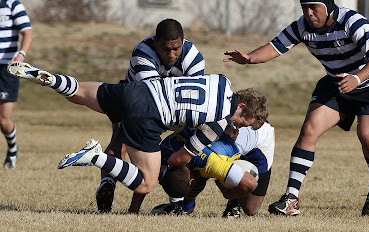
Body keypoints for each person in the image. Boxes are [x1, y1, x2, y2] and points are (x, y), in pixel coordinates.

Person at [7, 61, 269, 211]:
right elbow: (179, 158)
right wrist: (186, 173)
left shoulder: (221, 80)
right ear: (241, 107)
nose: (238, 126)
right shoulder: (217, 122)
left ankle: (47, 78)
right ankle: (96, 157)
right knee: (146, 183)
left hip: (138, 90)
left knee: (78, 94)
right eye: (243, 122)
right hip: (149, 116)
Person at [224, 0, 369, 217]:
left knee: (368, 136)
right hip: (337, 84)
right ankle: (291, 199)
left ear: (328, 6)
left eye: (314, 7)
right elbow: (276, 46)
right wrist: (250, 58)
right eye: (304, 8)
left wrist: (357, 78)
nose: (308, 13)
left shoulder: (352, 21)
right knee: (309, 129)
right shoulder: (302, 26)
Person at [97, 18, 205, 213]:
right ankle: (115, 191)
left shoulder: (194, 58)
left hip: (167, 109)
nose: (171, 55)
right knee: (135, 150)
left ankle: (111, 183)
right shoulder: (143, 52)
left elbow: (194, 98)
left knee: (121, 144)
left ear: (183, 41)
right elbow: (154, 96)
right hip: (136, 103)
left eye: (176, 49)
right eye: (165, 49)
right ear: (155, 42)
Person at [147, 121, 274, 218]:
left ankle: (234, 204)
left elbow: (250, 183)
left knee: (251, 209)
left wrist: (228, 194)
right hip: (225, 135)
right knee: (201, 172)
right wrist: (133, 209)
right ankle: (184, 208)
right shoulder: (165, 151)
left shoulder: (212, 163)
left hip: (258, 133)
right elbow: (151, 180)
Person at [0, 0, 32, 168]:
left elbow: (27, 32)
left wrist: (21, 54)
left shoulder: (12, 5)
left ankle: (12, 149)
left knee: (3, 120)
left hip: (6, 69)